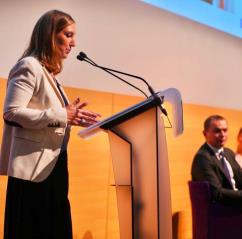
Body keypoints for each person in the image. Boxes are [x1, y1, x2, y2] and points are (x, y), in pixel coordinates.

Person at [0, 10, 100, 239]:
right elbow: (11, 113)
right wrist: (63, 115)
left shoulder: (50, 74)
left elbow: (53, 117)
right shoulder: (29, 66)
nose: (73, 42)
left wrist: (73, 118)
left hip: (53, 166)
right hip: (33, 171)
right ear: (49, 35)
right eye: (68, 34)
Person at [191, 115, 242, 206]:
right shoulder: (202, 158)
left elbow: (240, 178)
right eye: (217, 131)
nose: (222, 135)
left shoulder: (228, 152)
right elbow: (217, 193)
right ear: (205, 133)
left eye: (225, 130)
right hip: (221, 210)